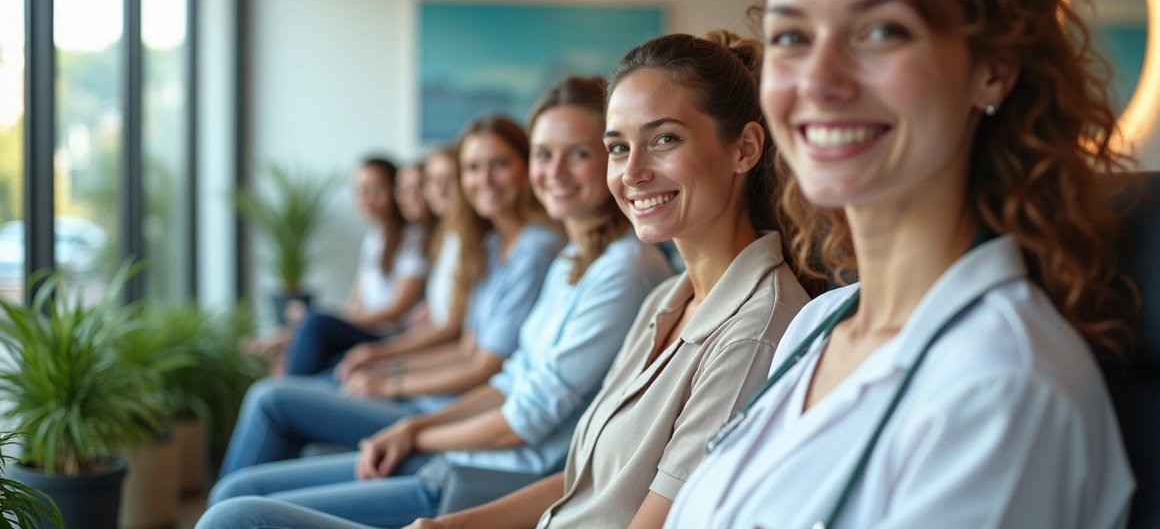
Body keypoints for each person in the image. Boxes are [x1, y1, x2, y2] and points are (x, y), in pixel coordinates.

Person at [664, 0, 1137, 527]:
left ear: (992, 66)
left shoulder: (999, 384)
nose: (819, 79)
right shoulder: (818, 327)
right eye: (793, 36)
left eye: (881, 30)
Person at [196, 75, 675, 528]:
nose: (555, 172)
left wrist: (414, 424)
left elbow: (523, 414)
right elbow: (510, 377)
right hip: (462, 453)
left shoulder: (623, 268)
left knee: (233, 513)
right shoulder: (574, 256)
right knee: (235, 492)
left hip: (490, 479)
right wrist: (416, 424)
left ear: (611, 159)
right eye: (544, 154)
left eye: (580, 154)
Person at [393, 30, 821, 529]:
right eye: (618, 147)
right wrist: (450, 527)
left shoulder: (752, 331)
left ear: (744, 148)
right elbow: (588, 482)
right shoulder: (666, 299)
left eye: (664, 139)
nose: (632, 172)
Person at [215, 117, 565, 481]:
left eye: (501, 164)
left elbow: (483, 366)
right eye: (474, 168)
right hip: (431, 398)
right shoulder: (492, 246)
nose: (485, 179)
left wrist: (392, 379)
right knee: (283, 394)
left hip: (447, 408)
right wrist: (386, 367)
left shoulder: (536, 250)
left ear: (527, 166)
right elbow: (466, 347)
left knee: (271, 400)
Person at [284, 158, 437, 376]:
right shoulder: (374, 238)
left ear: (393, 192)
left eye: (376, 189)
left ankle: (288, 398)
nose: (366, 198)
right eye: (360, 190)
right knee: (306, 330)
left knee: (315, 324)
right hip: (368, 328)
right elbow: (354, 304)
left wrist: (317, 318)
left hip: (390, 336)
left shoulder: (412, 239)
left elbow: (395, 312)